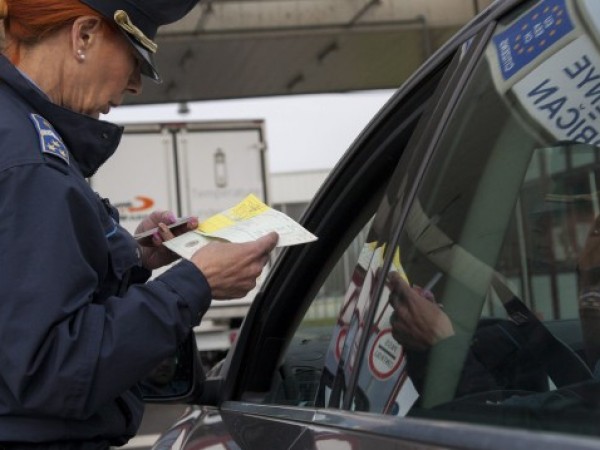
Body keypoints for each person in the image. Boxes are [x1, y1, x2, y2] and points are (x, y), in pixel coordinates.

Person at [0, 0, 279, 448]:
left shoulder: (19, 134)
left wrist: (133, 253)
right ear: (83, 36)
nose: (134, 85)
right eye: (133, 57)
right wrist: (196, 282)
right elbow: (52, 370)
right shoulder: (30, 160)